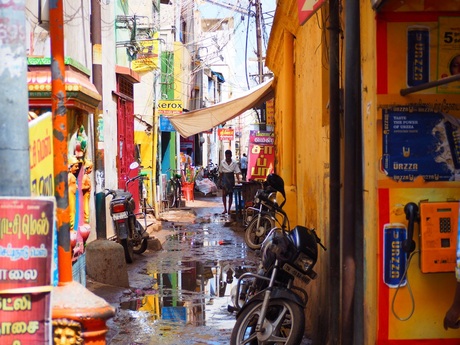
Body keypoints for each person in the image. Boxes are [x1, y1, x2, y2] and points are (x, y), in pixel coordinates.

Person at [218, 150, 241, 214]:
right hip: (224, 178)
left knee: (230, 194)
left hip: (231, 178)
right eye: (226, 155)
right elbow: (220, 172)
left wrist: (238, 179)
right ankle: (225, 209)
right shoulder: (222, 162)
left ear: (231, 155)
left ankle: (229, 209)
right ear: (225, 156)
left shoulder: (234, 162)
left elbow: (237, 172)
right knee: (224, 194)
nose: (228, 157)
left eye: (229, 155)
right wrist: (219, 181)